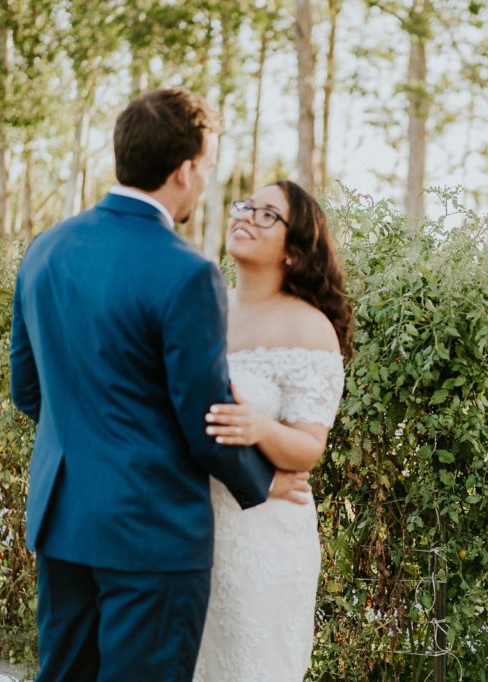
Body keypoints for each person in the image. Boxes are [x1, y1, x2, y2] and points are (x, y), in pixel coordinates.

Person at [9, 88, 310, 682]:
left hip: (63, 521)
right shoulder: (186, 271)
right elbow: (205, 422)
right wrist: (266, 478)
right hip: (151, 536)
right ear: (185, 169)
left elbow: (28, 390)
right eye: (206, 169)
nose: (204, 185)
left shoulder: (45, 249)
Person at [192, 180, 352, 681]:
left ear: (294, 250)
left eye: (267, 215)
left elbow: (308, 449)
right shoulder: (205, 310)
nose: (246, 217)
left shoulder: (307, 328)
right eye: (246, 206)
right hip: (193, 526)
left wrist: (258, 426)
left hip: (263, 540)